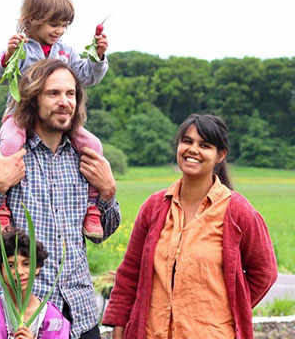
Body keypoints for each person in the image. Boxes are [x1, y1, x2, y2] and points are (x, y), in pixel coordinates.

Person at [0, 59, 120, 339]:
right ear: (32, 99)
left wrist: (108, 193)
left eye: (71, 94)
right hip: (19, 319)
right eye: (53, 94)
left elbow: (101, 235)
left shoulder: (86, 157)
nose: (64, 102)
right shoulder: (1, 153)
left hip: (78, 313)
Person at [102, 114, 277, 339]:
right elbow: (130, 273)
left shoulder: (237, 212)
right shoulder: (155, 207)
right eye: (187, 141)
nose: (193, 149)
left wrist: (228, 307)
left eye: (204, 145)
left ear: (220, 156)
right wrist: (119, 328)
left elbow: (264, 272)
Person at [0, 0, 109, 239]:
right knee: (9, 144)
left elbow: (86, 76)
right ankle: (0, 208)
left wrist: (97, 57)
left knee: (93, 145)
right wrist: (7, 56)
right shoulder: (21, 48)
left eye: (64, 25)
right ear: (32, 20)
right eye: (54, 24)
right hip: (20, 116)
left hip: (58, 120)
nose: (59, 31)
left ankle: (92, 208)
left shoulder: (66, 52)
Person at [0, 227, 70, 338]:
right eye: (10, 266)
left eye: (26, 264)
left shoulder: (53, 318)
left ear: (37, 267)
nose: (19, 272)